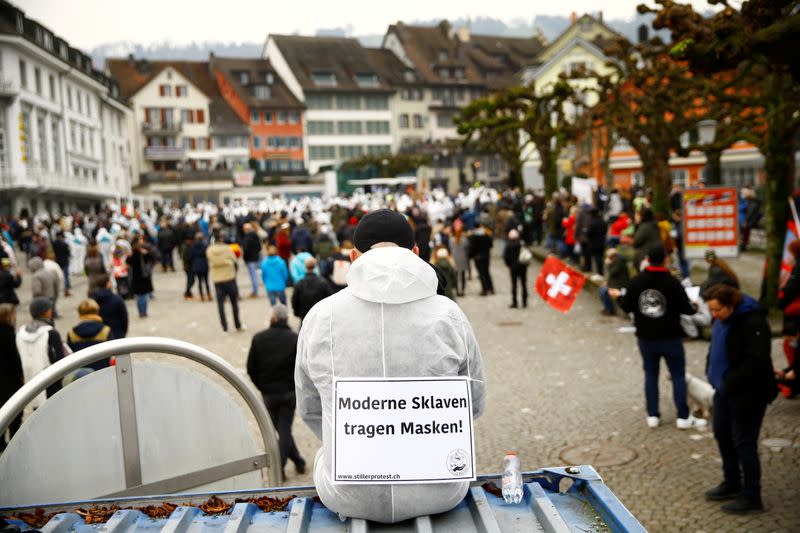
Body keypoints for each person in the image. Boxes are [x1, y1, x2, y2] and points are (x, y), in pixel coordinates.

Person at [295, 208, 486, 523]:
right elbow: (473, 403)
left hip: (348, 492)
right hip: (441, 490)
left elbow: (310, 408)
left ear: (354, 258)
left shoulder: (320, 316)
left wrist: (356, 441)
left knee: (324, 457)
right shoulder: (448, 313)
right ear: (415, 253)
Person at [610, 246, 705, 429]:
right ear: (666, 260)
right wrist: (693, 305)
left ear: (647, 259)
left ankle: (652, 415)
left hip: (646, 338)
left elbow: (627, 307)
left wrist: (617, 297)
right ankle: (683, 417)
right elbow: (687, 310)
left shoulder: (636, 281)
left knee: (651, 375)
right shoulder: (672, 282)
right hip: (671, 337)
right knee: (678, 375)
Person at [704, 284, 777, 514]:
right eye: (711, 310)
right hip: (724, 391)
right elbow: (715, 347)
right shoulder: (722, 320)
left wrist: (728, 380)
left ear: (731, 305)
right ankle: (732, 482)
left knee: (744, 443)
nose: (714, 315)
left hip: (748, 394)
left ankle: (752, 496)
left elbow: (756, 362)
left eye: (717, 310)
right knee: (722, 434)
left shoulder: (753, 323)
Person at [247, 303, 306, 476]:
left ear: (272, 318)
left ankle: (278, 468)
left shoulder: (259, 338)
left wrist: (261, 386)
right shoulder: (294, 338)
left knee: (282, 430)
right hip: (288, 393)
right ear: (286, 319)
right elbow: (301, 367)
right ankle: (298, 461)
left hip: (269, 394)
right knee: (284, 429)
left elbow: (251, 368)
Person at [15, 297, 64, 412]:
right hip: (50, 384)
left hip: (30, 384)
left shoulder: (21, 332)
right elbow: (59, 361)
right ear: (45, 312)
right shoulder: (51, 333)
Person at [207, 229, 243, 332]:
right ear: (221, 238)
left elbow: (211, 261)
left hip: (217, 279)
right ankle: (237, 324)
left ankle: (224, 326)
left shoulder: (210, 250)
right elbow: (235, 261)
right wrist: (227, 263)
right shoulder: (228, 249)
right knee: (234, 303)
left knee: (220, 304)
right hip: (229, 277)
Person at [777, 239, 800, 397]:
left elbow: (791, 288)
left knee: (792, 346)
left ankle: (793, 379)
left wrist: (781, 302)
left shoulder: (798, 268)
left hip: (795, 315)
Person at [0, 303, 24, 451]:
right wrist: (21, 376)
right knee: (15, 411)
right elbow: (14, 359)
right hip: (9, 379)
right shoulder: (8, 333)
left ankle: (1, 440)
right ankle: (14, 439)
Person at [66, 299, 114, 370]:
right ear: (97, 312)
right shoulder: (105, 330)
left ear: (80, 313)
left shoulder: (72, 333)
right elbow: (113, 353)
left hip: (80, 375)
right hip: (102, 372)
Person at [291, 257, 330, 324]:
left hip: (304, 314)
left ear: (305, 267)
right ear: (315, 266)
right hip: (319, 315)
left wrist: (297, 313)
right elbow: (329, 298)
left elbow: (294, 300)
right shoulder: (323, 282)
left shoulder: (300, 283)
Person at [90, 273, 128, 340]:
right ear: (107, 284)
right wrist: (123, 333)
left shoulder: (93, 300)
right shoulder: (117, 299)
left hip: (99, 335)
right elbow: (124, 319)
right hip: (116, 334)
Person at [127, 236, 154, 318]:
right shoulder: (143, 253)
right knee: (143, 296)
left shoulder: (132, 254)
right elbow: (151, 258)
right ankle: (144, 312)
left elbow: (128, 262)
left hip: (136, 277)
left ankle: (141, 312)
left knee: (139, 296)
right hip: (143, 276)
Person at [599, 248, 630, 316]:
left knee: (604, 292)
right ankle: (607, 308)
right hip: (615, 283)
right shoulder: (615, 261)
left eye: (609, 257)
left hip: (620, 285)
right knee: (601, 289)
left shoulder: (619, 262)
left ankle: (610, 310)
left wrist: (608, 264)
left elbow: (612, 273)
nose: (608, 258)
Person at [469, 213, 494, 296]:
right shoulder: (486, 234)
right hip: (486, 256)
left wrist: (471, 256)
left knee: (481, 273)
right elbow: (491, 245)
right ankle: (491, 288)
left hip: (478, 257)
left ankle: (485, 290)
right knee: (487, 272)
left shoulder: (474, 236)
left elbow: (472, 248)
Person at [503, 229, 528, 308]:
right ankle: (524, 302)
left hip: (513, 267)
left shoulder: (508, 245)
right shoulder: (522, 243)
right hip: (522, 267)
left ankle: (515, 302)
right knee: (524, 284)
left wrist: (509, 265)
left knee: (514, 285)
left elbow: (506, 257)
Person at [186, 232, 211, 301]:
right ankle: (209, 295)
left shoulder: (193, 246)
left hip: (196, 265)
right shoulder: (205, 246)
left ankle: (202, 296)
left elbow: (190, 256)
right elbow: (208, 255)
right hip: (204, 265)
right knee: (206, 281)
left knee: (199, 281)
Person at [242, 222, 262, 298]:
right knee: (255, 275)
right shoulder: (255, 236)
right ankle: (255, 290)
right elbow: (259, 247)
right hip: (256, 257)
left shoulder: (247, 238)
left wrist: (245, 258)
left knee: (253, 276)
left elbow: (246, 250)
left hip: (250, 259)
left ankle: (255, 291)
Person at [450, 222, 470, 297]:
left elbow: (450, 248)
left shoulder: (451, 239)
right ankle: (462, 290)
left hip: (454, 259)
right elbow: (467, 248)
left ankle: (457, 290)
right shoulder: (464, 239)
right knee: (462, 275)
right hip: (463, 258)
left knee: (456, 276)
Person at [53, 232, 71, 297]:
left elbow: (54, 252)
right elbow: (68, 253)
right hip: (65, 261)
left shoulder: (54, 243)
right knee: (66, 276)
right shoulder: (65, 244)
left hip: (58, 261)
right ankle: (66, 290)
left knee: (58, 276)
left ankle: (56, 290)